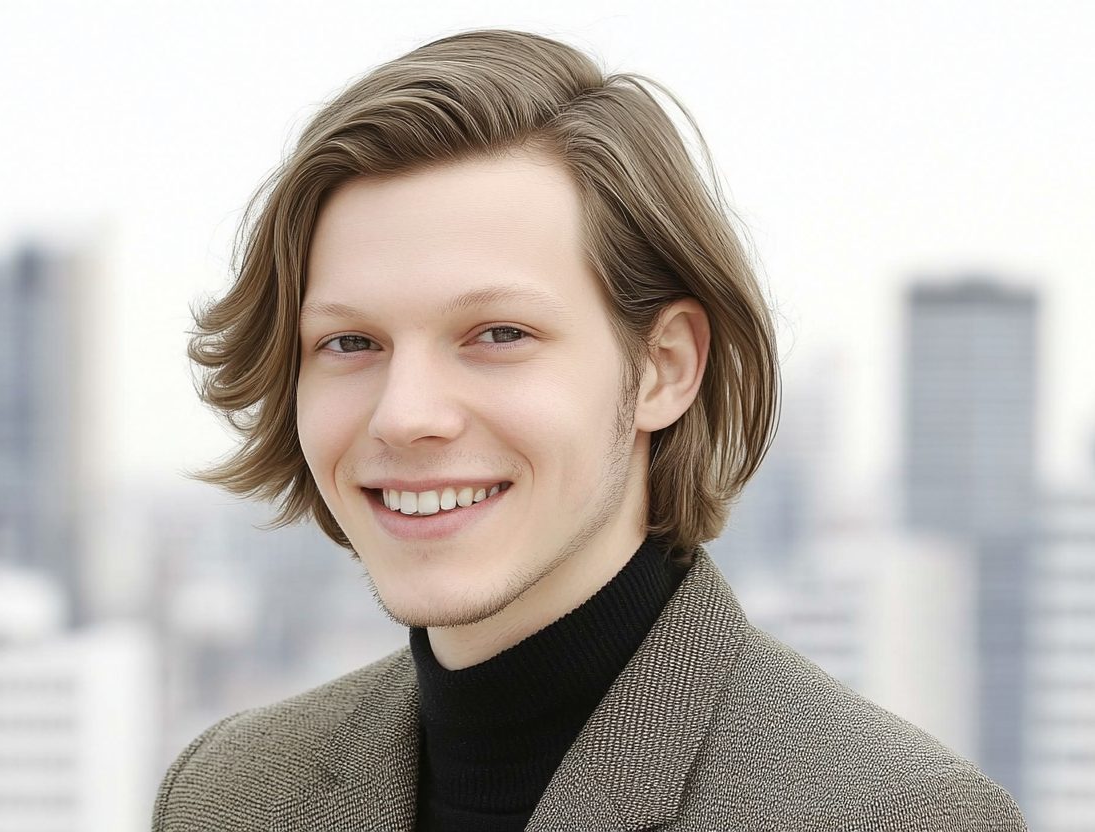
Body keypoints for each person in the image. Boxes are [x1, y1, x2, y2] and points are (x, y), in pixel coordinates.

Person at [153, 29, 1025, 832]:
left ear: (664, 367)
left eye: (498, 335)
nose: (406, 413)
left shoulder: (890, 816)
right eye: (350, 342)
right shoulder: (228, 795)